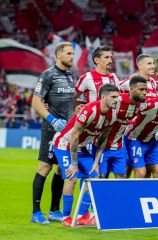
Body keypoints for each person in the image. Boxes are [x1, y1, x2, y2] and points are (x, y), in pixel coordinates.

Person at [52, 83, 119, 227]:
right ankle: (66, 217)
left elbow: (103, 139)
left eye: (117, 97)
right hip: (64, 144)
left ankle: (82, 215)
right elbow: (74, 137)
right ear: (103, 97)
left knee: (94, 177)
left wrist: (96, 162)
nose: (116, 100)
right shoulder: (89, 110)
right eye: (113, 97)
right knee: (72, 178)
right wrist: (74, 164)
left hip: (81, 147)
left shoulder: (112, 114)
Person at [31, 42, 75, 224]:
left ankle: (54, 210)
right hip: (52, 130)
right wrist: (52, 120)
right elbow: (36, 101)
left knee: (59, 169)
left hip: (67, 132)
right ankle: (36, 212)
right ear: (58, 55)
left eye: (73, 53)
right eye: (69, 53)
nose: (72, 56)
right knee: (45, 167)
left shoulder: (71, 76)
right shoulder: (48, 75)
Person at [100, 76, 148, 178]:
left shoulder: (140, 105)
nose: (144, 92)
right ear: (131, 90)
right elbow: (98, 107)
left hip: (119, 146)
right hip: (103, 146)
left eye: (145, 90)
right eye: (141, 89)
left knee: (122, 178)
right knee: (102, 178)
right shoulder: (117, 100)